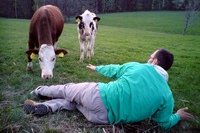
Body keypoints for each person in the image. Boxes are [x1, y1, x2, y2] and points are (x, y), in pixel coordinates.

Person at [23, 49, 194, 130]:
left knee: (68, 89)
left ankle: (39, 90)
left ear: (155, 62)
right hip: (103, 118)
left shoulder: (140, 67)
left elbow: (115, 70)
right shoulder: (167, 96)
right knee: (73, 104)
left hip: (98, 95)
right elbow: (162, 122)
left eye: (150, 57)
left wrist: (97, 68)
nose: (148, 59)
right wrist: (177, 116)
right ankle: (47, 107)